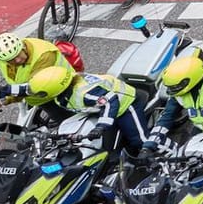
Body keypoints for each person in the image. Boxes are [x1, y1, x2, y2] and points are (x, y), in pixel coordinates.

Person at [23, 65, 151, 154]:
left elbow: (110, 101)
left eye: (42, 94)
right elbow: (32, 89)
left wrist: (101, 126)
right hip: (96, 109)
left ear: (53, 90)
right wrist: (6, 90)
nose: (40, 96)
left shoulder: (83, 93)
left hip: (126, 105)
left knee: (139, 140)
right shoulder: (62, 88)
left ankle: (161, 157)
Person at [0, 31, 75, 108]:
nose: (17, 61)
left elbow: (30, 88)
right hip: (31, 96)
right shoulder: (8, 54)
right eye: (11, 60)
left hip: (56, 92)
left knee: (61, 119)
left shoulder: (43, 56)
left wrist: (6, 100)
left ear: (23, 46)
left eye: (18, 55)